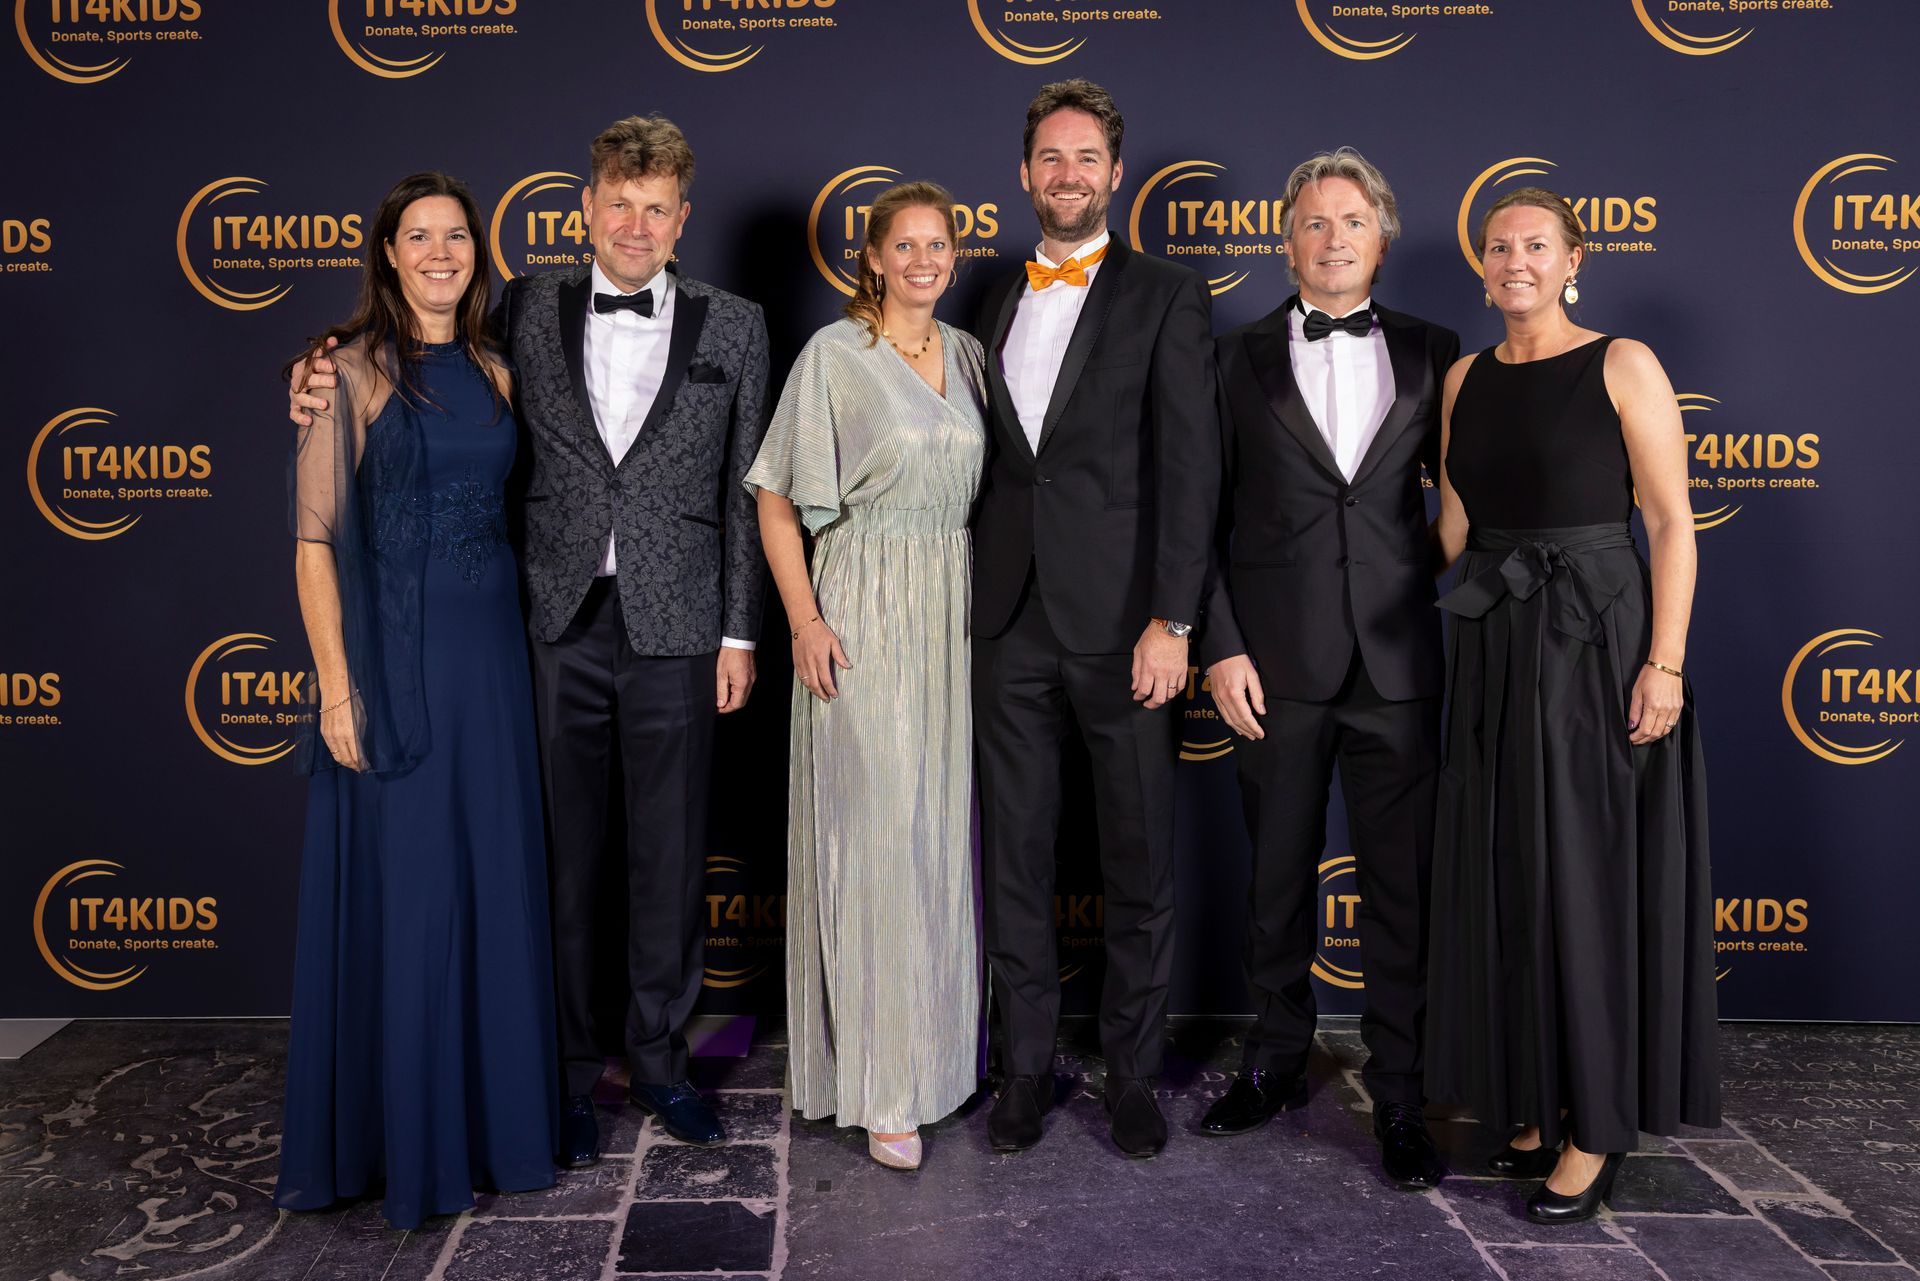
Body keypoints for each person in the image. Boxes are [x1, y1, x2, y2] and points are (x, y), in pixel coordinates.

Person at [290, 117, 771, 1166]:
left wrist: (740, 632)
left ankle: (661, 1064)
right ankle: (558, 1073)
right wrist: (319, 369)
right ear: (586, 209)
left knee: (669, 857)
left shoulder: (737, 326)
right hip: (546, 624)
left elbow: (746, 490)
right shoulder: (524, 305)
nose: (636, 225)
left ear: (682, 218)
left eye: (656, 208)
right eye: (618, 203)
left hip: (682, 626)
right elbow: (407, 362)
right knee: (554, 861)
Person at [1427, 187, 1719, 1224]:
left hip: (1594, 639)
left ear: (1573, 258)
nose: (1515, 260)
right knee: (1510, 867)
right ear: (1482, 265)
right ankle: (1533, 1094)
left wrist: (1664, 664)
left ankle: (1595, 1125)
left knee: (1587, 877)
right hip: (1493, 642)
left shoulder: (1622, 362)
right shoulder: (1463, 377)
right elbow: (1454, 528)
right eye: (1499, 246)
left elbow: (1671, 524)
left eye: (1536, 245)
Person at [277, 171, 558, 1228]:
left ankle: (493, 1130)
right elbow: (312, 543)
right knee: (416, 891)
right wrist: (336, 691)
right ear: (388, 255)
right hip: (398, 661)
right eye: (419, 236)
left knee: (488, 880)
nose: (441, 253)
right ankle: (406, 1142)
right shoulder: (346, 372)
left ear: (479, 254)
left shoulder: (497, 366)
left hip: (493, 660)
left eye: (457, 237)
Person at [1196, 148, 1456, 1189]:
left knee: (1404, 891)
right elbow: (1197, 520)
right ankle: (1271, 1062)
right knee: (1274, 880)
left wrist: (1411, 587)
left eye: (1352, 221)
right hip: (1273, 665)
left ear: (1381, 239)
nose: (1333, 238)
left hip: (1398, 664)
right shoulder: (1233, 357)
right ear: (1286, 241)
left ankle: (1402, 1095)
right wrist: (1220, 644)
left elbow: (1464, 500)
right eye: (1313, 221)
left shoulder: (1438, 350)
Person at [973, 79, 1219, 1159]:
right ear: (1024, 173)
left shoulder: (1167, 294)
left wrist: (1175, 619)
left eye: (1086, 159)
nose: (1067, 175)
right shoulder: (988, 294)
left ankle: (1131, 1075)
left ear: (1116, 174)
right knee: (1015, 859)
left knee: (1137, 857)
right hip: (1005, 619)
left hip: (1126, 625)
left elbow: (1192, 469)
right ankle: (1023, 1070)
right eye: (1050, 158)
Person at [746, 182, 989, 1172]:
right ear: (874, 258)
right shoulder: (835, 356)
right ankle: (883, 1085)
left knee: (935, 841)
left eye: (939, 244)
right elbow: (773, 496)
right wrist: (804, 619)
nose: (924, 260)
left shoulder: (970, 355)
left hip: (951, 615)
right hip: (861, 610)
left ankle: (936, 1061)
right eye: (906, 245)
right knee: (877, 838)